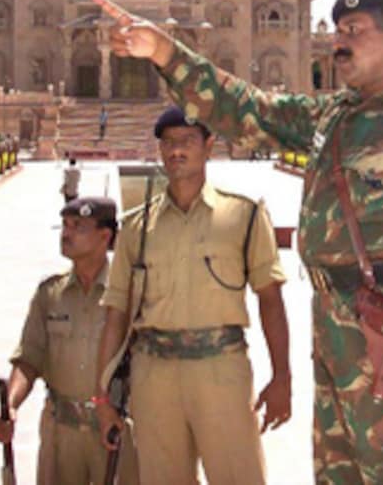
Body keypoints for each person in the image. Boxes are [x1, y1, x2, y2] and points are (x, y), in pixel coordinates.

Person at [94, 0, 383, 484]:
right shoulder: (337, 115)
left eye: (352, 30)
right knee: (339, 470)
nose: (337, 42)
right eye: (335, 30)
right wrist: (166, 54)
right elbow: (250, 110)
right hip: (337, 334)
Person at [93, 107, 291, 485]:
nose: (176, 151)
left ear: (209, 146)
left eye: (187, 141)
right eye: (168, 143)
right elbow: (116, 312)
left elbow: (270, 299)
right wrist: (103, 398)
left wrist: (282, 377)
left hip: (221, 369)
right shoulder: (138, 226)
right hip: (154, 374)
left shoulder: (242, 216)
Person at [0, 197, 139, 485]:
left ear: (105, 236)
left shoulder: (128, 293)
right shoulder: (50, 293)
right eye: (65, 225)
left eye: (78, 227)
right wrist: (11, 404)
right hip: (62, 431)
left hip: (114, 430)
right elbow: (28, 358)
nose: (66, 233)